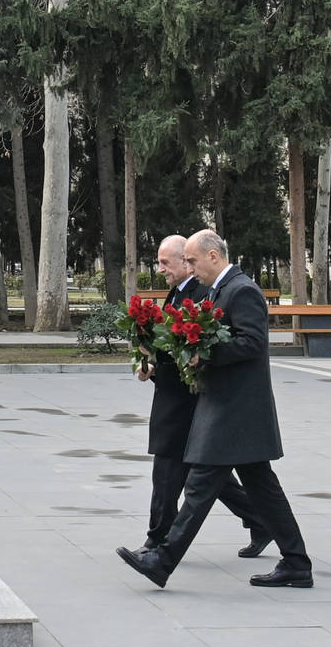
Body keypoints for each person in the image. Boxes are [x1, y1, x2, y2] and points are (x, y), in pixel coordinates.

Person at [117, 229, 313, 590]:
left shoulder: (243, 290)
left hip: (235, 410)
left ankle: (162, 560)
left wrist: (203, 352)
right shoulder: (221, 290)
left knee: (199, 489)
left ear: (212, 256)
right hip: (229, 408)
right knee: (262, 489)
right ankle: (297, 563)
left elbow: (253, 343)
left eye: (191, 260)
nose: (189, 267)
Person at [137, 235, 269, 557]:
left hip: (187, 402)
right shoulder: (179, 291)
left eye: (166, 262)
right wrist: (150, 361)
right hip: (174, 395)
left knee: (172, 474)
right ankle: (262, 521)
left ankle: (158, 544)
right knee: (211, 477)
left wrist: (195, 359)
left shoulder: (203, 294)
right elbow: (172, 343)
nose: (161, 269)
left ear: (187, 260)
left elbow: (218, 343)